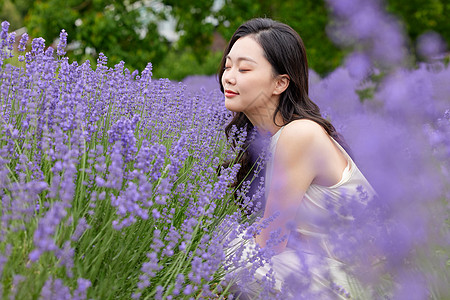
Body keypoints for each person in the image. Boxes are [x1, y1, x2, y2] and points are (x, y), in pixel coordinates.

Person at [219, 18, 376, 299]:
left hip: (359, 285)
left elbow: (269, 246)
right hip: (330, 274)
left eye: (243, 68)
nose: (228, 76)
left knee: (223, 252)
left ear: (280, 83)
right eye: (228, 65)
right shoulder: (270, 141)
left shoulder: (298, 135)